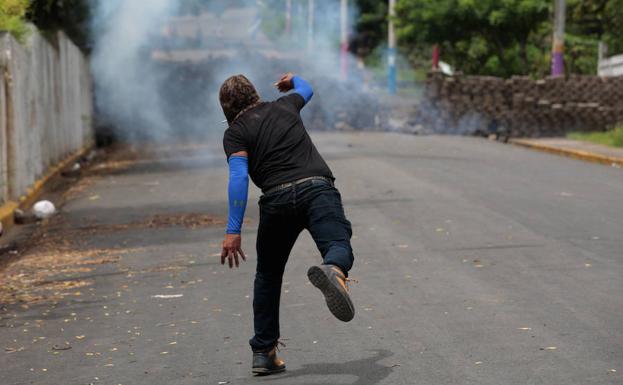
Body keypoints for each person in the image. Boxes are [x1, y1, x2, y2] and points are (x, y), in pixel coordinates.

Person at [219, 73, 355, 375]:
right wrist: (294, 79)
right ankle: (334, 269)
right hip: (317, 188)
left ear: (226, 109)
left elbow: (239, 178)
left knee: (267, 275)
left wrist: (233, 229)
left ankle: (264, 352)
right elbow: (307, 89)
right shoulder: (285, 105)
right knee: (337, 245)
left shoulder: (235, 133)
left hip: (276, 200)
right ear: (254, 94)